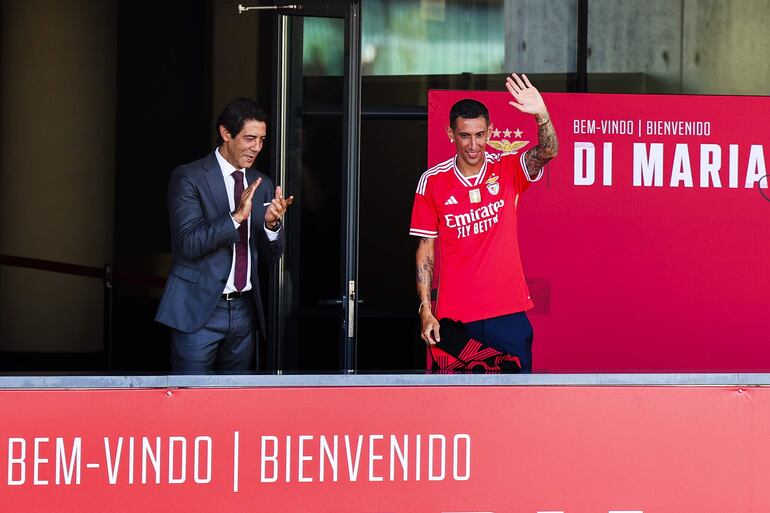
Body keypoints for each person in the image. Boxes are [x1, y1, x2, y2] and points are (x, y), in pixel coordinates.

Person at [409, 73, 558, 372]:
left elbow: (547, 151)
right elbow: (425, 249)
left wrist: (542, 114)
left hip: (509, 312)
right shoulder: (432, 181)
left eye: (480, 134)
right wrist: (426, 308)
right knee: (456, 411)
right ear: (451, 134)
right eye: (465, 135)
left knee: (516, 405)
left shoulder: (509, 168)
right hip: (455, 319)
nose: (473, 144)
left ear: (490, 132)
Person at [155, 98, 293, 373]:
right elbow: (188, 244)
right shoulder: (189, 177)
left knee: (236, 404)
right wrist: (235, 218)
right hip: (198, 309)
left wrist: (271, 226)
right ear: (226, 133)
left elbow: (272, 256)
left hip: (244, 311)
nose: (257, 148)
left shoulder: (262, 184)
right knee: (190, 400)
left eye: (262, 140)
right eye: (250, 138)